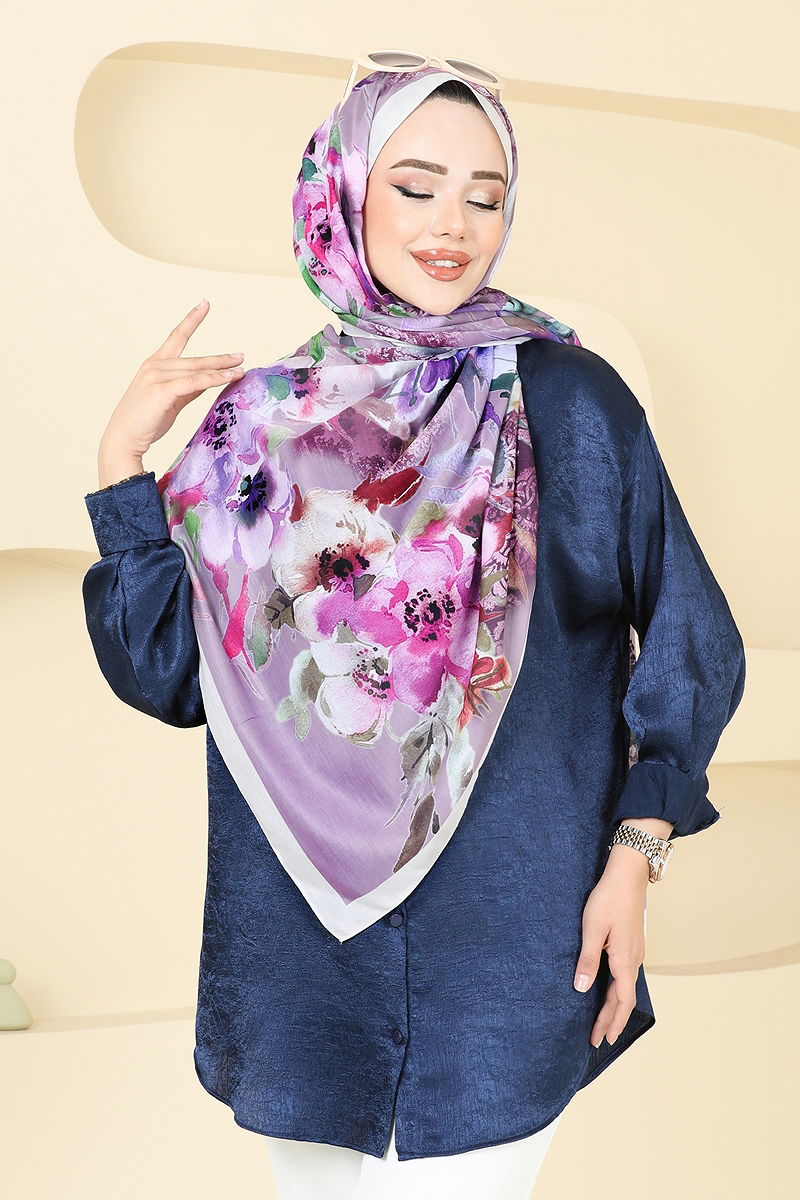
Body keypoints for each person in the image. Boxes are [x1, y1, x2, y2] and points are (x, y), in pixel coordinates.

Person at [81, 61, 747, 1199]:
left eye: (485, 197)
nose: (453, 227)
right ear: (343, 192)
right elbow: (170, 674)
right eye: (417, 186)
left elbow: (692, 637)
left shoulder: (571, 404)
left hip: (512, 944)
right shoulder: (260, 426)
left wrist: (635, 858)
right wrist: (121, 464)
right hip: (302, 956)